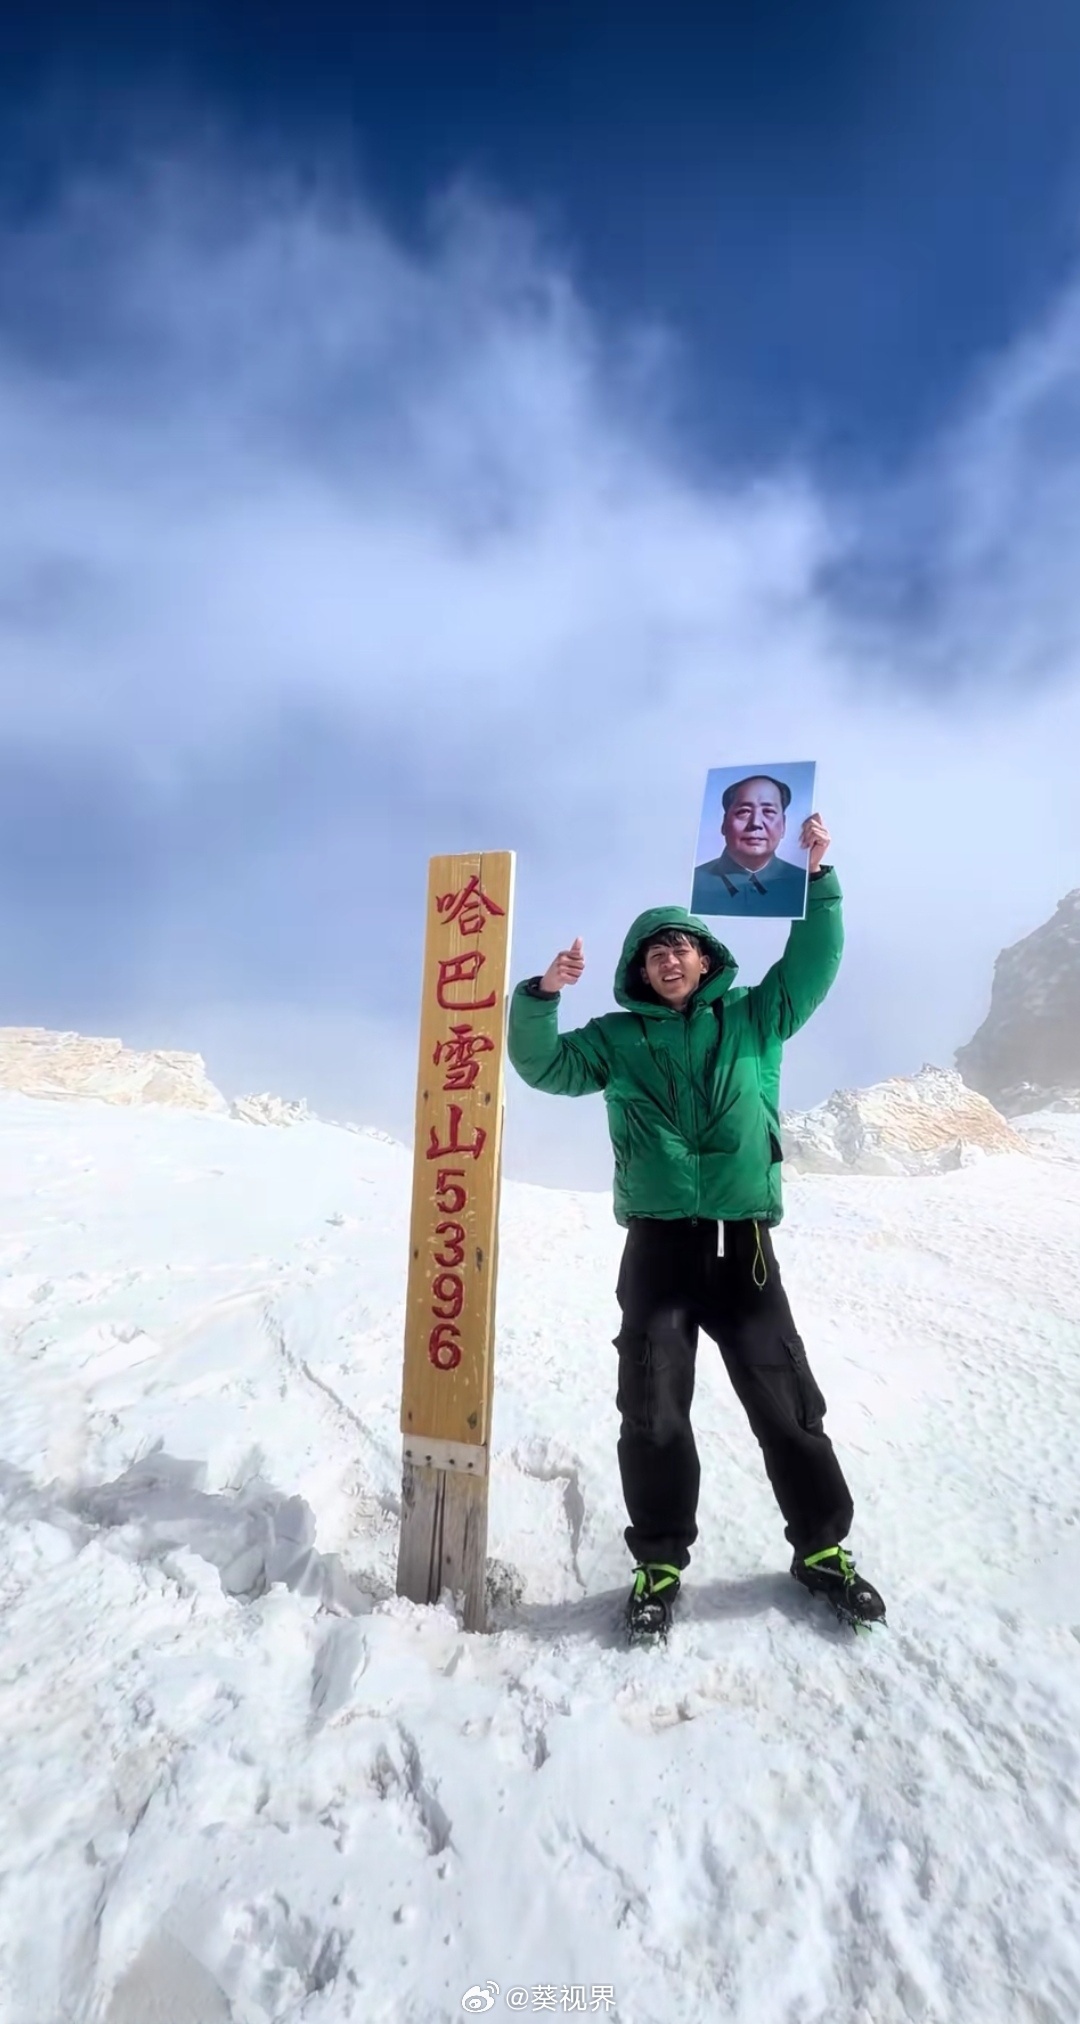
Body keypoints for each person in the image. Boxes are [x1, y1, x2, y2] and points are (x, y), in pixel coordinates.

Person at [508, 814, 885, 1642]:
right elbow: (540, 1066)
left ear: (707, 960)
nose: (670, 957)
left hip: (743, 1246)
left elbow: (814, 962)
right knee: (652, 1408)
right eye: (654, 951)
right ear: (637, 970)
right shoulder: (613, 1039)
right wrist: (540, 998)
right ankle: (660, 1561)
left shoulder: (755, 1018)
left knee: (787, 1405)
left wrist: (818, 880)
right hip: (659, 1247)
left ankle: (822, 1550)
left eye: (683, 946)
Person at [691, 773, 807, 918]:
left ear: (783, 825)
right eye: (744, 812)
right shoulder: (693, 883)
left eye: (768, 812)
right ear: (724, 823)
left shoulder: (805, 883)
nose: (756, 823)